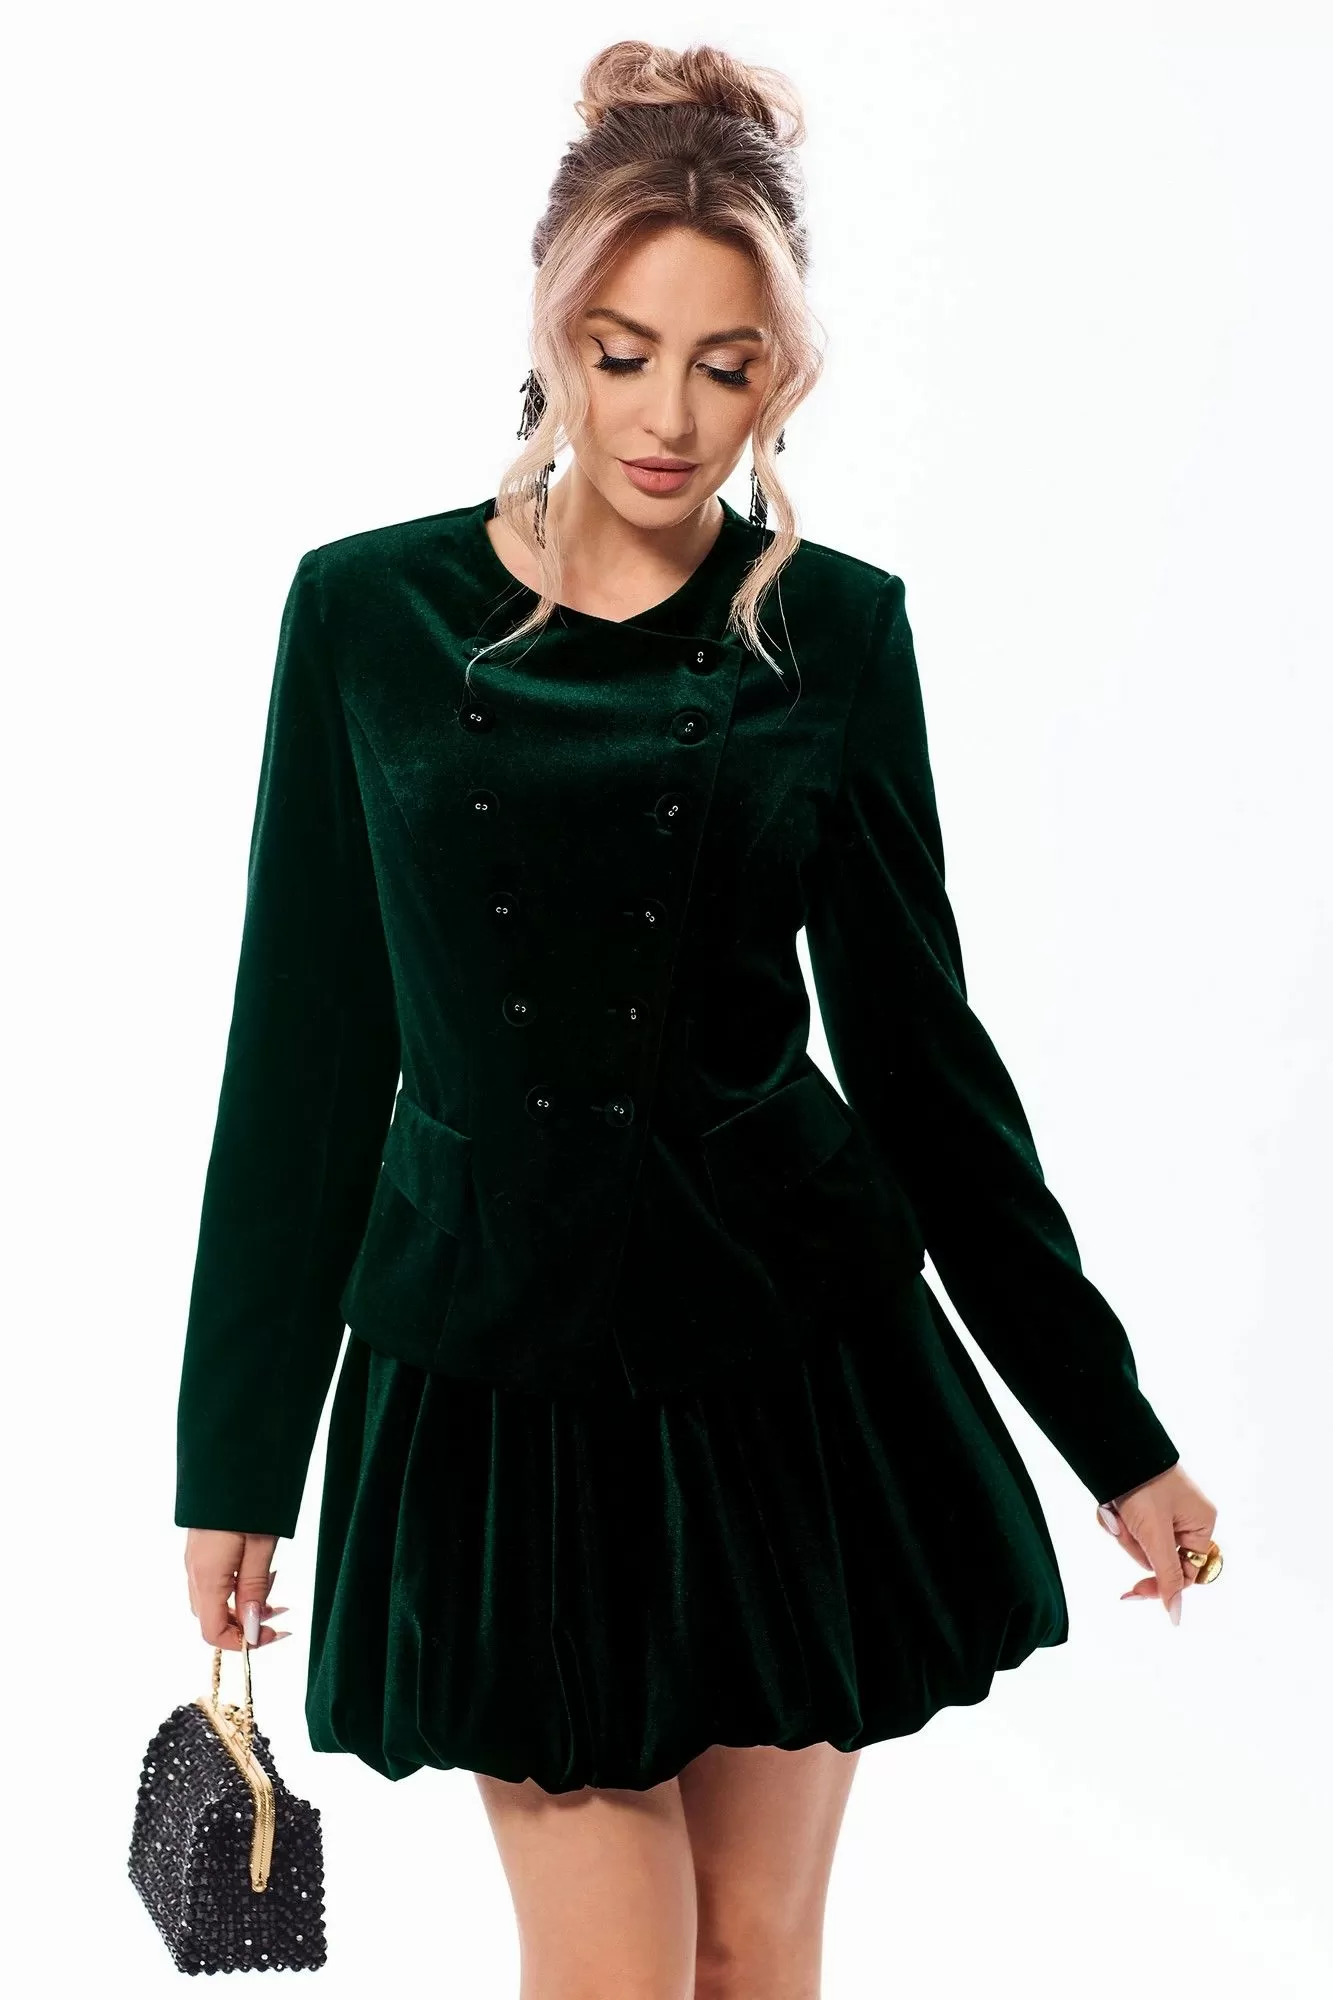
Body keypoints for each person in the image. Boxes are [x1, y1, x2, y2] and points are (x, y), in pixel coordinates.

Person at [176, 37, 1221, 2000]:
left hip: (789, 1373)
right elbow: (298, 1062)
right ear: (551, 331)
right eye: (625, 350)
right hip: (493, 1391)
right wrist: (234, 1458)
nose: (669, 416)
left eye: (726, 366)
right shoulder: (366, 619)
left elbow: (922, 1065)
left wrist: (1115, 1434)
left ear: (783, 376)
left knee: (751, 1950)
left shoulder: (838, 633)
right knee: (614, 1971)